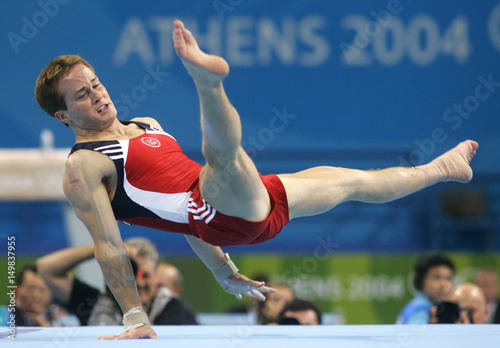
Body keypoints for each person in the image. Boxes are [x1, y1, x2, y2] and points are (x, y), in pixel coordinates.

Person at [34, 19, 478, 339]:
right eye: (81, 94)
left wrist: (224, 270)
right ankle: (207, 83)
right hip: (218, 207)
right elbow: (110, 246)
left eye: (96, 84)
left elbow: (181, 216)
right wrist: (133, 316)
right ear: (62, 115)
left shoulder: (145, 124)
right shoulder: (84, 164)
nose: (97, 95)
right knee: (221, 158)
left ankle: (440, 169)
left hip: (239, 206)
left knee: (352, 181)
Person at [36, 238, 198, 327]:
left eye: (146, 275)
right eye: (131, 274)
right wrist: (103, 249)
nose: (139, 282)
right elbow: (46, 269)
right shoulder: (94, 303)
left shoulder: (172, 308)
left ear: (157, 276)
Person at [396, 253, 455, 324]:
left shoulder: (437, 308)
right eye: (436, 277)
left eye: (448, 279)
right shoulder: (420, 307)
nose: (444, 284)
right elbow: (417, 334)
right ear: (421, 281)